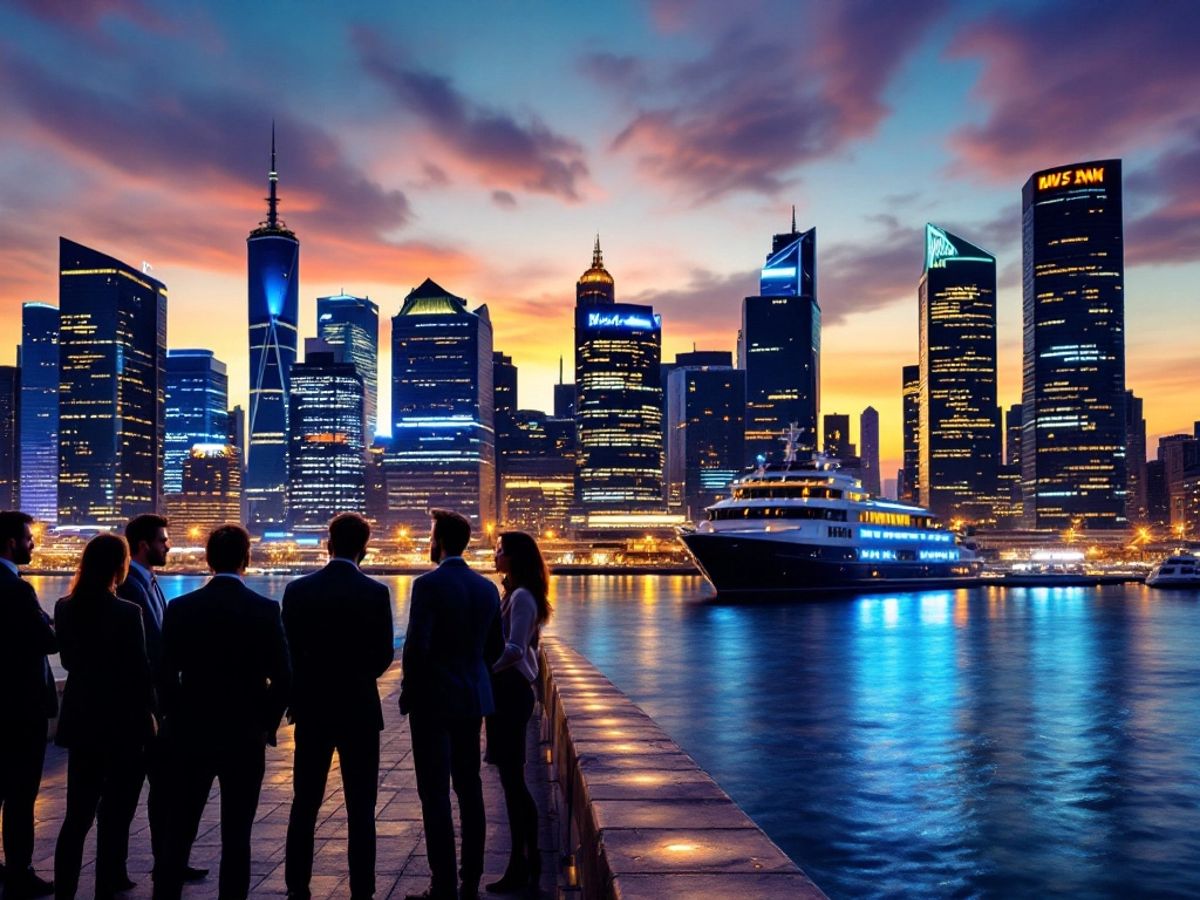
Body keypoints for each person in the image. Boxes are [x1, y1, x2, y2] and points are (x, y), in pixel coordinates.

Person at [153, 525, 291, 900]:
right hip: (245, 735)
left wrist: (175, 717)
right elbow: (283, 677)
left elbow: (164, 674)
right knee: (237, 834)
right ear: (246, 559)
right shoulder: (264, 609)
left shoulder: (182, 608)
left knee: (178, 829)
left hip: (191, 733)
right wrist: (265, 723)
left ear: (208, 559)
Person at [282, 513, 394, 900]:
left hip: (312, 707)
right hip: (359, 709)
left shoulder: (298, 591)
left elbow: (288, 654)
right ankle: (363, 889)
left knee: (305, 803)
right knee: (361, 808)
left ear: (328, 545)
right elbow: (383, 656)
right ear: (364, 548)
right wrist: (357, 676)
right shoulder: (376, 593)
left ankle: (298, 886)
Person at [399, 510, 502, 900]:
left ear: (439, 539)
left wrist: (410, 689)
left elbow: (417, 647)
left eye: (430, 533)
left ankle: (442, 882)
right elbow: (494, 649)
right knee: (469, 786)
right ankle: (470, 878)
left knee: (434, 790)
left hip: (433, 699)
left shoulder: (427, 585)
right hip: (472, 696)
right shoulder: (486, 588)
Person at [52, 533, 156, 900]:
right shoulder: (128, 613)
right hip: (122, 724)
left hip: (82, 722)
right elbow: (139, 671)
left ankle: (64, 891)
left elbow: (66, 660)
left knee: (76, 818)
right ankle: (104, 888)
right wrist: (149, 715)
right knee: (115, 815)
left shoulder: (65, 607)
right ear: (120, 565)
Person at [116, 515, 208, 887]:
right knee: (127, 793)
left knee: (164, 790)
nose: (168, 546)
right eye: (163, 541)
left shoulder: (148, 582)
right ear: (142, 545)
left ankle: (167, 859)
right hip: (142, 707)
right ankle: (118, 868)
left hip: (160, 705)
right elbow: (147, 649)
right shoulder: (130, 586)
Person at [484, 531, 551, 894]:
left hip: (511, 690)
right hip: (506, 691)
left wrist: (484, 671)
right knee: (511, 781)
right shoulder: (514, 593)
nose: (495, 557)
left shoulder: (522, 596)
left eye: (499, 552)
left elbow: (514, 648)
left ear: (514, 557)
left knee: (514, 782)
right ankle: (525, 859)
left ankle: (523, 861)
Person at [0, 511, 57, 899]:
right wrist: (50, 624)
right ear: (10, 543)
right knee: (21, 797)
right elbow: (47, 640)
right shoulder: (16, 588)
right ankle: (19, 872)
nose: (32, 544)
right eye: (27, 538)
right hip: (20, 709)